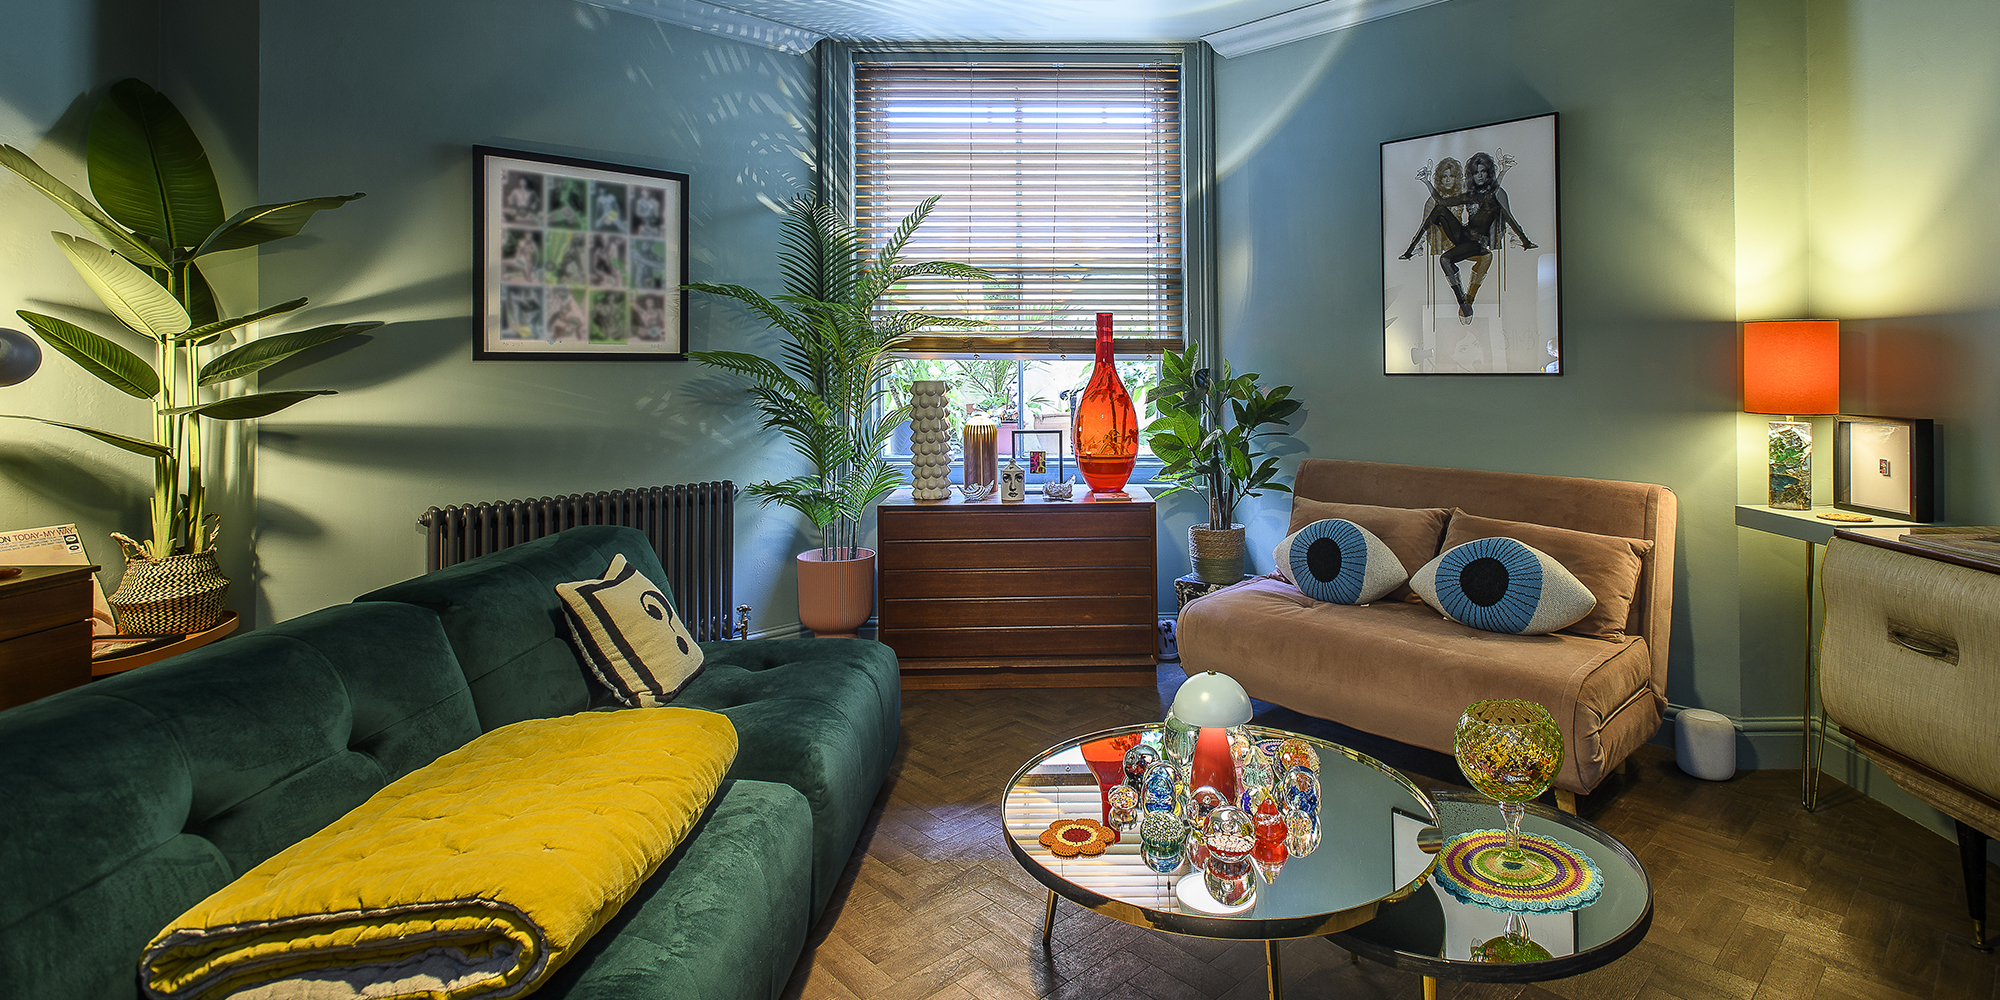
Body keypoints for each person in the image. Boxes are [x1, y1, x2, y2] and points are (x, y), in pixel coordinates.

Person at [1397, 151, 1537, 318]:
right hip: (1462, 236)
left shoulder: (1494, 200)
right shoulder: (1471, 195)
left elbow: (1509, 219)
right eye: (1476, 172)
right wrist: (1427, 182)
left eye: (1483, 171)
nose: (1480, 175)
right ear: (1471, 175)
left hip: (1476, 244)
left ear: (1489, 173)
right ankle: (1410, 249)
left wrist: (1525, 240)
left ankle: (1463, 303)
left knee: (1445, 259)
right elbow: (1442, 202)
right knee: (1439, 209)